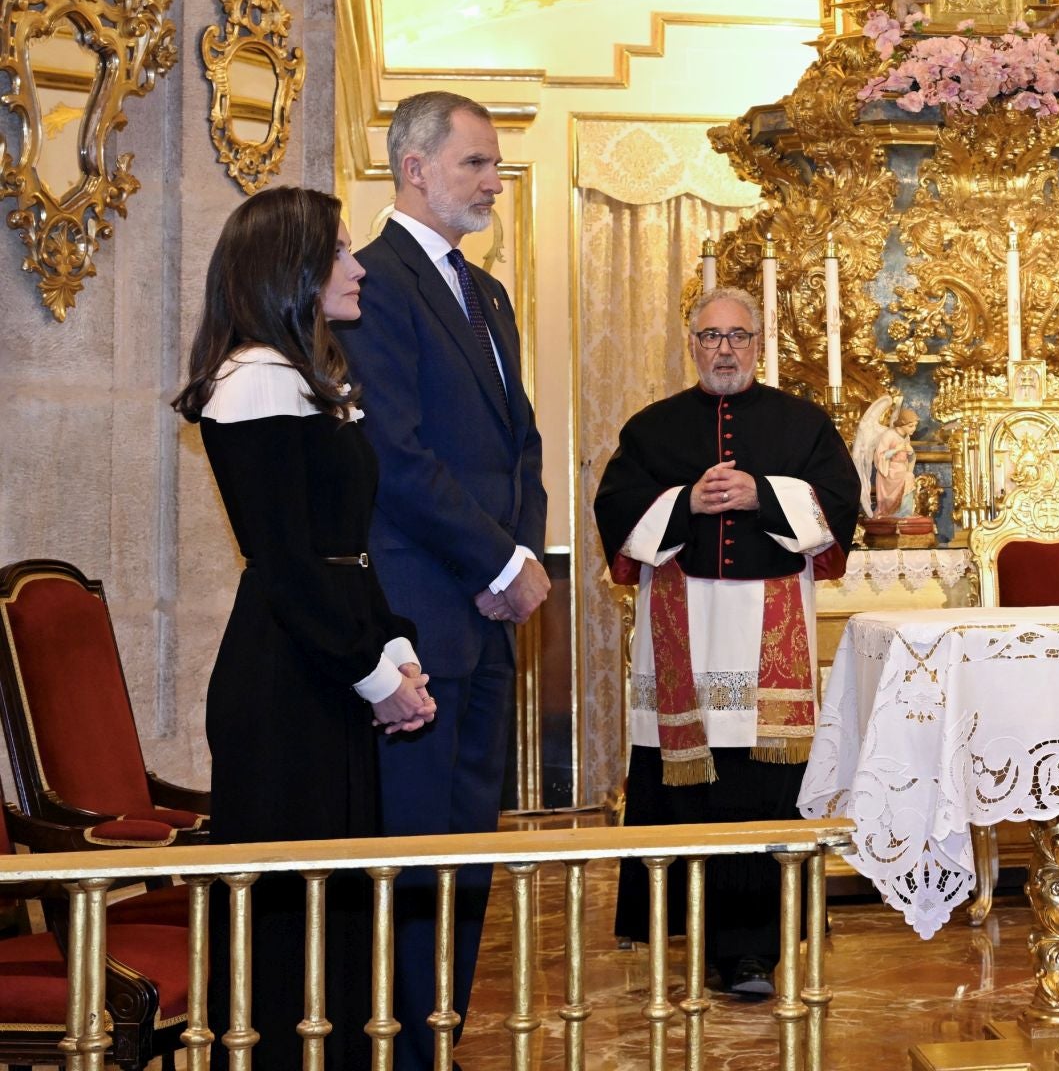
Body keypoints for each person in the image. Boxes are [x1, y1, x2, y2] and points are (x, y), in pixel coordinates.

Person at [174, 186, 437, 1069]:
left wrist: (393, 652)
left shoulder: (304, 378)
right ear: (291, 270)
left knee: (338, 910)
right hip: (285, 679)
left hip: (324, 664)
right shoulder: (253, 381)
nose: (357, 267)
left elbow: (345, 551)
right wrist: (373, 675)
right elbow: (286, 563)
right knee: (292, 923)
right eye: (340, 252)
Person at [336, 91, 549, 1070]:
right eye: (476, 163)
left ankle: (441, 1037)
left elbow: (522, 447)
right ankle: (403, 1048)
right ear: (414, 167)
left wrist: (523, 561)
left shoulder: (489, 293)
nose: (492, 182)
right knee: (420, 846)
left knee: (471, 846)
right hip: (421, 613)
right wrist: (494, 561)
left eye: (494, 165)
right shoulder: (373, 285)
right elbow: (397, 452)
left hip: (488, 617)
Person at [593, 286, 859, 997]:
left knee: (765, 788)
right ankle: (690, 935)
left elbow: (838, 505)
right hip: (684, 630)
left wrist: (760, 495)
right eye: (711, 337)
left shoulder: (802, 424)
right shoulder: (653, 427)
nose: (725, 349)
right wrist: (686, 501)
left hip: (769, 628)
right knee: (691, 787)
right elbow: (614, 511)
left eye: (737, 336)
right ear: (692, 344)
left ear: (758, 342)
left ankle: (754, 953)